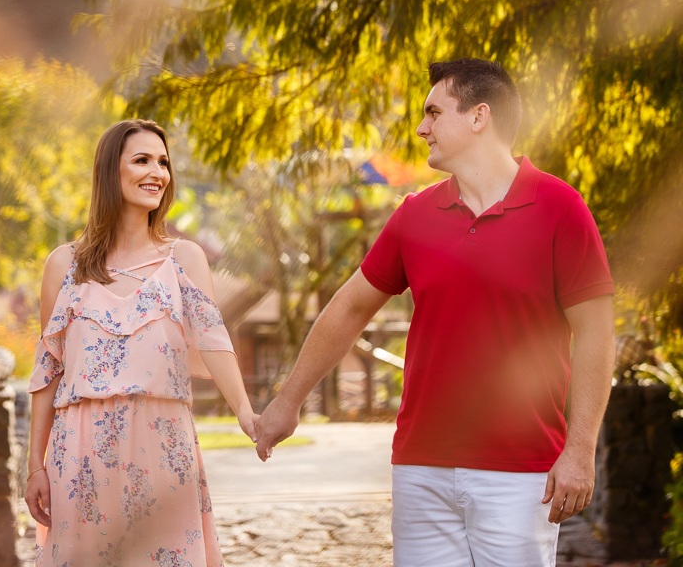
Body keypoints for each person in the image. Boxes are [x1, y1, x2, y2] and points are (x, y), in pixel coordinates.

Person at [255, 59, 616, 567]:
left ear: (479, 117)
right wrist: (288, 402)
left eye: (433, 112)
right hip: (420, 468)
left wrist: (579, 450)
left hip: (520, 470)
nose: (421, 127)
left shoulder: (559, 206)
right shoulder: (414, 216)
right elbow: (348, 310)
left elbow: (597, 336)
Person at [24, 119, 257, 567]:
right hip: (81, 458)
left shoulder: (183, 258)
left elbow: (213, 339)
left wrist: (246, 412)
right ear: (110, 172)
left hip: (163, 449)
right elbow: (48, 371)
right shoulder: (64, 266)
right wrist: (36, 465)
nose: (158, 172)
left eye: (164, 162)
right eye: (142, 160)